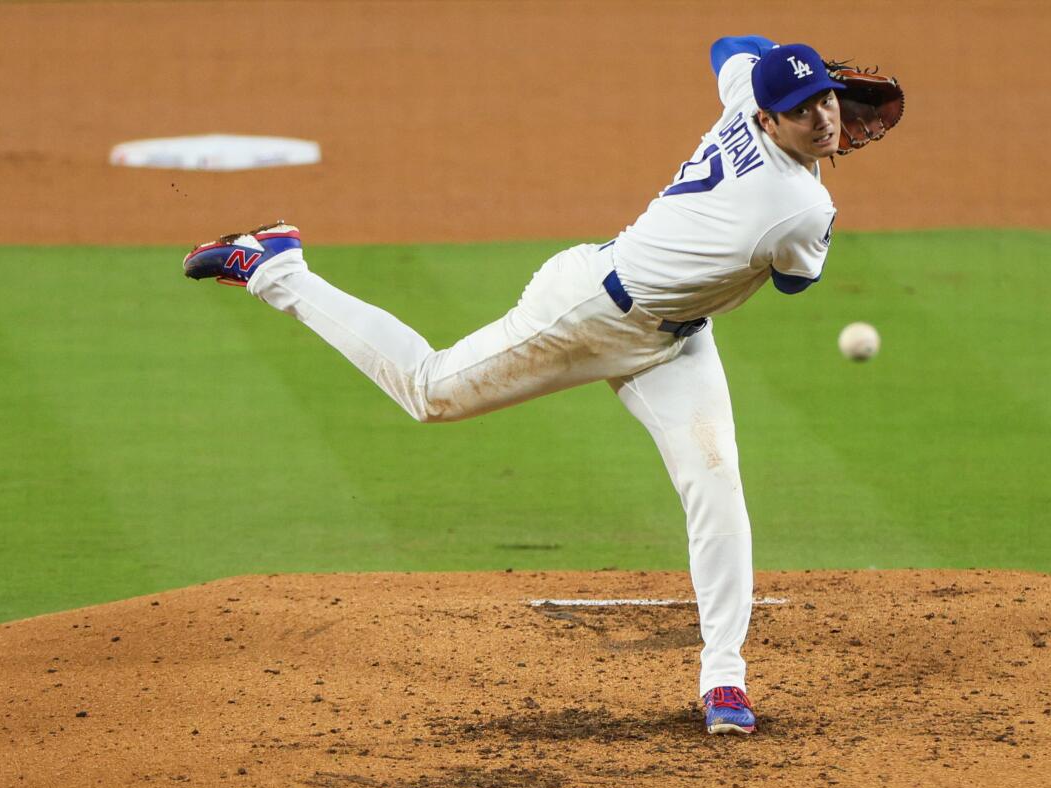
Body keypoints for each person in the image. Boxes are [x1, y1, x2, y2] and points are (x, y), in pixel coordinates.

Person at [183, 36, 845, 736]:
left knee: (716, 483)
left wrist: (778, 67)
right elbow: (797, 279)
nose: (826, 118)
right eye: (804, 110)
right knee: (429, 392)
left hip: (676, 342)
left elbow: (731, 48)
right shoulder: (798, 209)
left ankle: (724, 680)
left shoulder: (750, 95)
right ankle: (275, 267)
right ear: (769, 121)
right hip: (585, 313)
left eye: (827, 97)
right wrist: (819, 152)